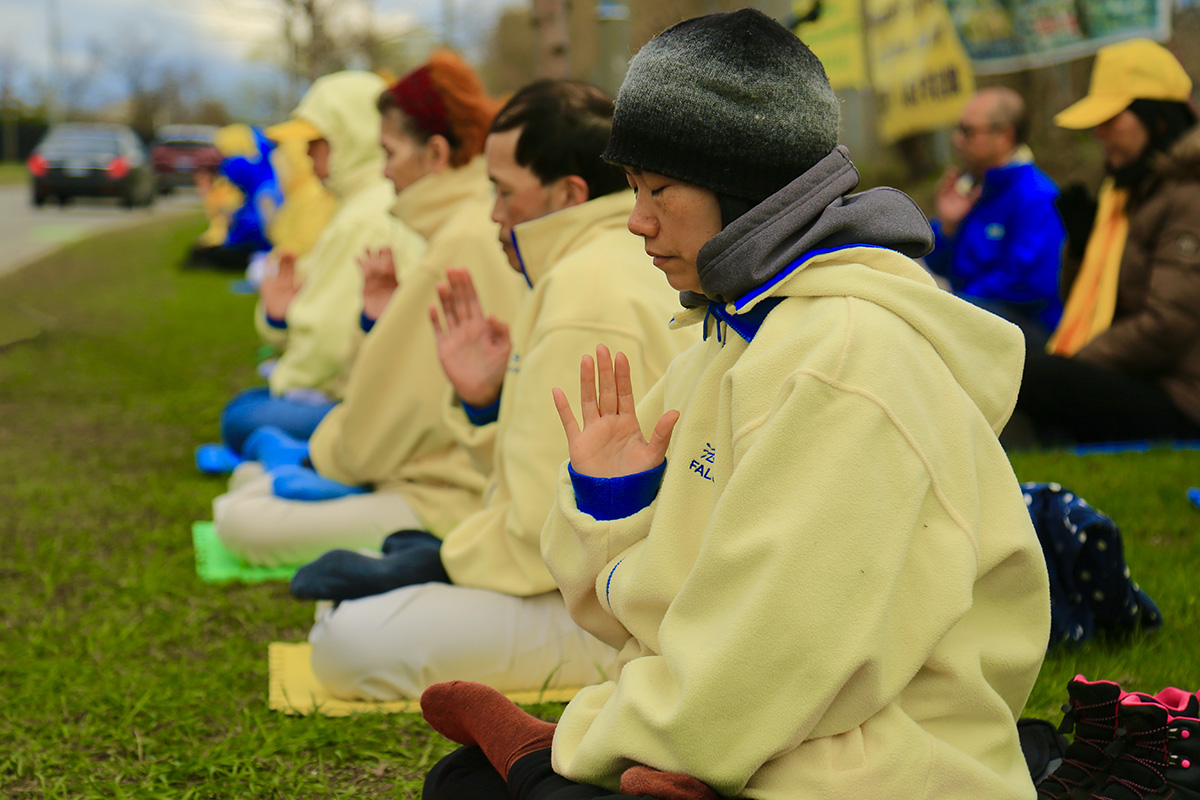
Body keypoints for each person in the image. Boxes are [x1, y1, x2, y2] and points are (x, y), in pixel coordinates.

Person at [417, 11, 1050, 800]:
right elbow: (643, 622)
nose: (637, 220)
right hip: (760, 740)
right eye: (633, 188)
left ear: (745, 183)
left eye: (660, 189)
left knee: (478, 786)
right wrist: (615, 503)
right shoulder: (732, 334)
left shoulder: (844, 361)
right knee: (465, 781)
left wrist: (575, 743)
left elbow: (771, 660)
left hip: (866, 771)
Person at [291, 79, 695, 702]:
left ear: (568, 194)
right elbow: (548, 487)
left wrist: (442, 559)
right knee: (345, 615)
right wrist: (486, 406)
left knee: (345, 641)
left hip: (612, 616)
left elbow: (543, 543)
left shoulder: (582, 292)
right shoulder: (594, 264)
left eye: (504, 191)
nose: (493, 215)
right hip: (614, 586)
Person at [212, 52, 526, 565]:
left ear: (435, 153)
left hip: (449, 493)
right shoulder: (458, 227)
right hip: (428, 469)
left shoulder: (459, 239)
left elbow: (378, 421)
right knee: (248, 483)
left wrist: (321, 457)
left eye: (390, 152)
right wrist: (374, 323)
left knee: (240, 517)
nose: (384, 170)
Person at [213, 71, 425, 457]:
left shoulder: (364, 218)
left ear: (350, 136)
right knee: (249, 406)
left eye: (317, 141)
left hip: (364, 403)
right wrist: (280, 318)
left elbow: (327, 349)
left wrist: (284, 381)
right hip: (376, 396)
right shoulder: (364, 203)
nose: (307, 153)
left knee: (242, 416)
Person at [1008, 39, 1200, 448]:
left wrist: (1077, 365)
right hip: (1137, 377)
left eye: (1111, 119)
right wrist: (1080, 249)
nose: (1099, 133)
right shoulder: (1127, 193)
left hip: (1181, 397)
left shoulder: (1189, 197)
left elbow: (1168, 325)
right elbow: (1083, 306)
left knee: (1037, 377)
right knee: (1018, 365)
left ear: (1158, 119)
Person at [925, 87, 1065, 348]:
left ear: (1004, 136)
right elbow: (938, 264)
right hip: (981, 317)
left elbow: (1030, 282)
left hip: (1031, 333)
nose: (956, 139)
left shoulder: (1036, 196)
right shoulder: (974, 187)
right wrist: (947, 227)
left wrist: (958, 303)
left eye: (967, 131)